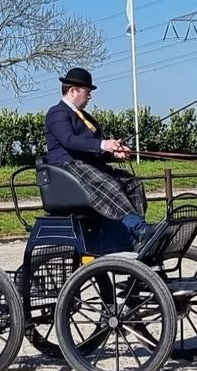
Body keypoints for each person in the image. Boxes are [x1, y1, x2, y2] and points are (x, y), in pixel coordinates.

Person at [44, 67, 152, 248]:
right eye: (87, 92)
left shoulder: (86, 117)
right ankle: (138, 229)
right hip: (67, 168)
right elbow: (69, 141)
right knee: (109, 184)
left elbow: (93, 146)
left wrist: (114, 152)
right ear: (72, 90)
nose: (89, 97)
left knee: (131, 182)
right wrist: (104, 144)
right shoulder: (57, 113)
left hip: (88, 166)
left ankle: (133, 232)